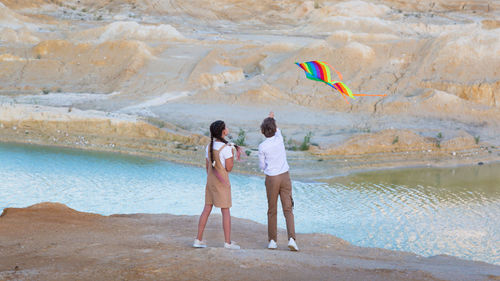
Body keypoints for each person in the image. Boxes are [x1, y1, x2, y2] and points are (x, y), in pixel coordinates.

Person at [193, 120, 240, 250]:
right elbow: (229, 168)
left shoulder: (209, 146)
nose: (227, 128)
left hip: (210, 182)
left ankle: (198, 239)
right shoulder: (227, 149)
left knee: (206, 209)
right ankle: (227, 242)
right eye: (226, 127)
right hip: (222, 183)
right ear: (223, 131)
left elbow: (207, 167)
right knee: (225, 211)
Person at [258, 112, 299, 251]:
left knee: (272, 210)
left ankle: (272, 241)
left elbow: (262, 166)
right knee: (288, 209)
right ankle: (292, 239)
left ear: (263, 131)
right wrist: (272, 118)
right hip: (285, 176)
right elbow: (277, 129)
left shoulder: (262, 147)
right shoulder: (279, 139)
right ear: (275, 129)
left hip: (272, 178)